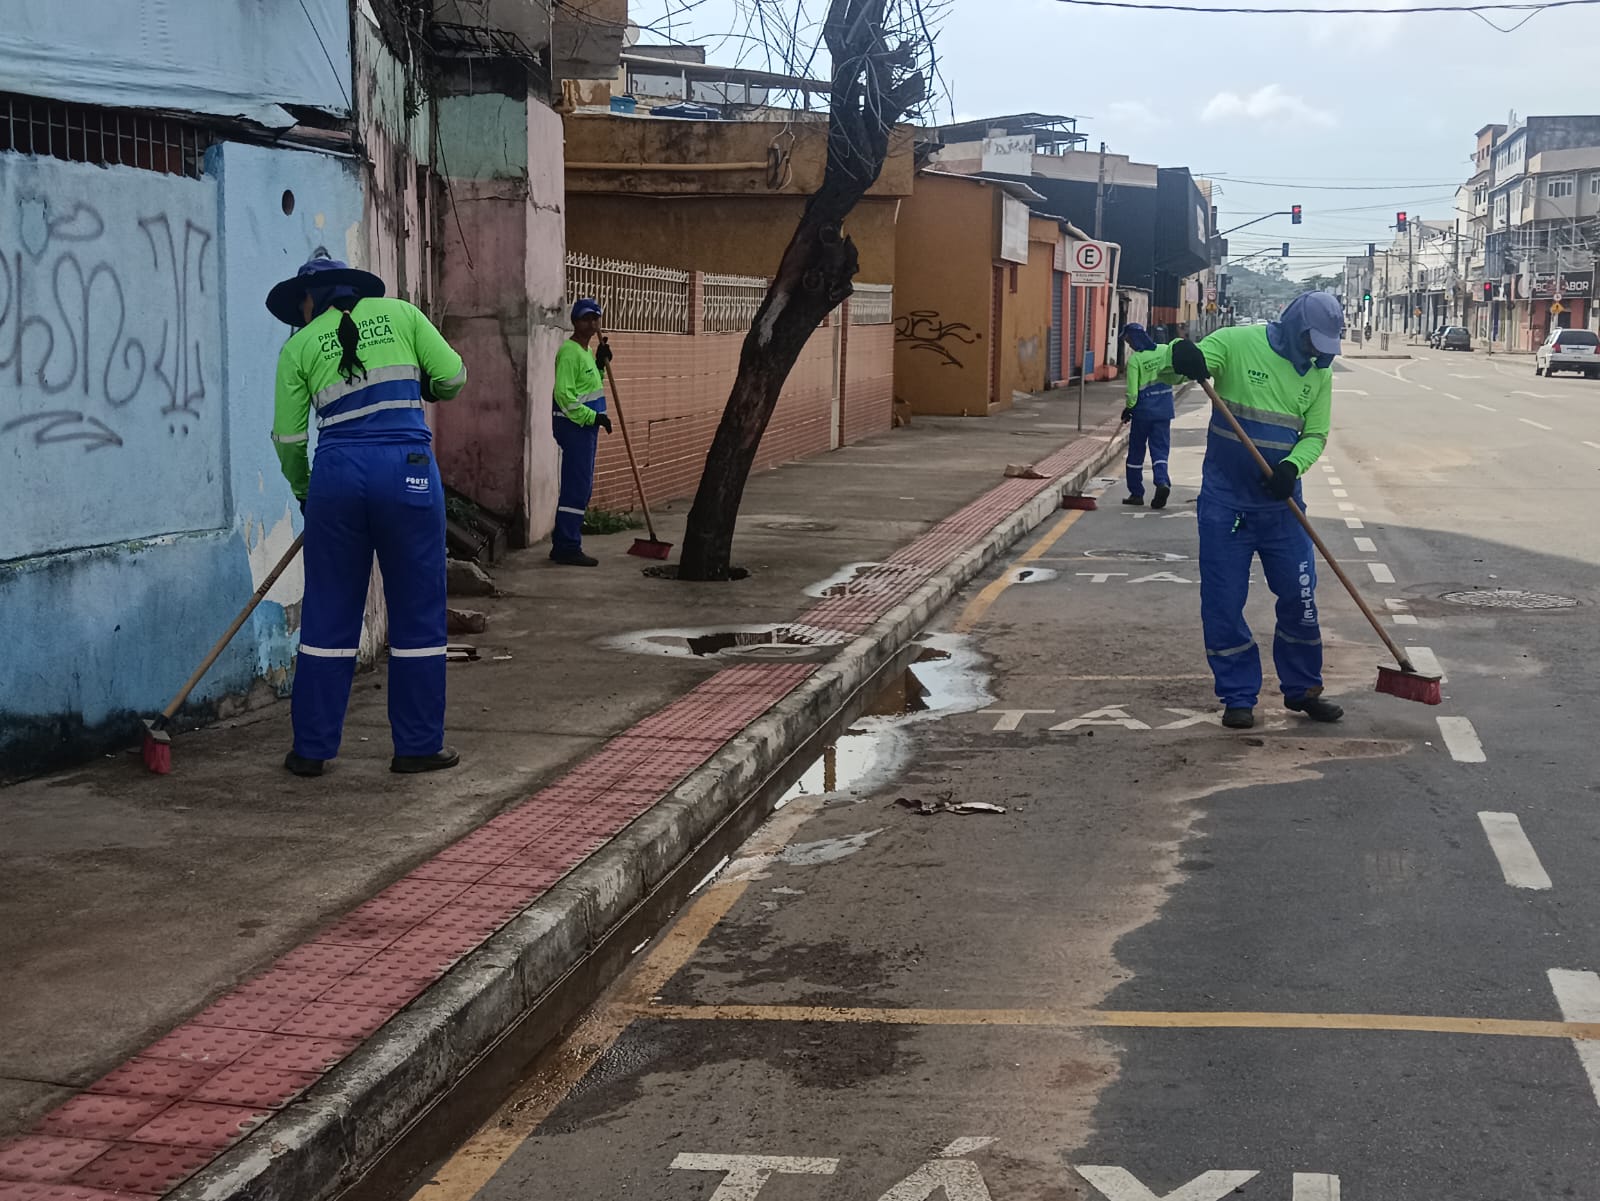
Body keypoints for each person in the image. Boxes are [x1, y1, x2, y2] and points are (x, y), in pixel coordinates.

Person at [268, 251, 468, 777]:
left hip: (337, 477)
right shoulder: (402, 315)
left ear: (312, 298)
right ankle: (418, 746)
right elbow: (453, 377)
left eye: (300, 304)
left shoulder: (299, 347)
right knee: (418, 611)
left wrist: (308, 492)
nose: (300, 314)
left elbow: (288, 438)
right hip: (408, 472)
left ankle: (312, 750)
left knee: (329, 612)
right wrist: (426, 388)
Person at [1164, 291, 1345, 731]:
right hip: (1227, 506)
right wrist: (1181, 355)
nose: (1316, 354)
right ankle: (1237, 696)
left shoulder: (1320, 374)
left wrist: (1291, 466)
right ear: (1293, 326)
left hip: (1282, 507)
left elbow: (1315, 435)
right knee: (1224, 604)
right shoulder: (1235, 342)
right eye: (1312, 342)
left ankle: (1303, 689)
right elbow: (1179, 365)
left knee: (1301, 601)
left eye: (1325, 346)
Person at [550, 299, 615, 567]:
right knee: (577, 487)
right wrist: (592, 417)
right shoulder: (569, 352)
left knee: (583, 486)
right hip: (574, 425)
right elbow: (564, 395)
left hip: (586, 427)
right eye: (587, 318)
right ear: (575, 321)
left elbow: (589, 385)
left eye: (596, 319)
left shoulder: (586, 352)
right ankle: (567, 544)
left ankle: (567, 540)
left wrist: (600, 364)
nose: (592, 323)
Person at [1118, 323, 1181, 510]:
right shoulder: (1164, 350)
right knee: (1160, 450)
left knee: (1136, 452)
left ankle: (1136, 493)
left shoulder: (1136, 360)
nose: (1129, 344)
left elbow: (1132, 393)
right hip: (1164, 411)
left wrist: (1128, 409)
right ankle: (1162, 483)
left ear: (1135, 339)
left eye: (1128, 340)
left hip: (1143, 413)